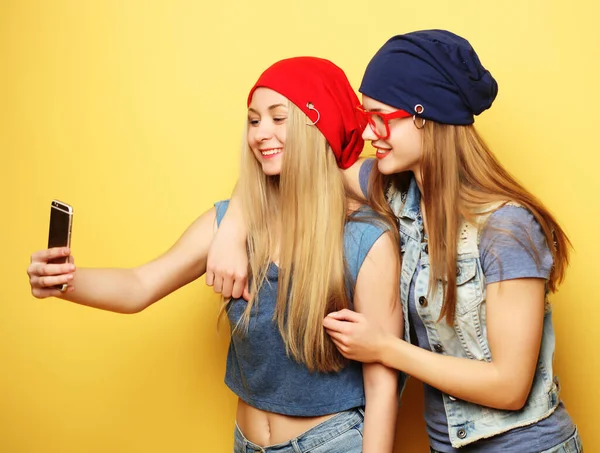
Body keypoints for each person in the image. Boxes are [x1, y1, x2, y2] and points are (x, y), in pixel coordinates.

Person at [208, 31, 583, 452]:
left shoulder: (506, 228)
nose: (369, 132)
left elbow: (509, 387)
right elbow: (291, 168)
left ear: (424, 116)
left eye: (381, 116)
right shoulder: (393, 192)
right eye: (366, 115)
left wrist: (385, 348)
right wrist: (231, 230)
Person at [27, 56, 402, 452]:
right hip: (246, 442)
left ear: (319, 128)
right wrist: (65, 280)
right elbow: (140, 285)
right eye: (254, 120)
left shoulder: (365, 240)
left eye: (279, 118)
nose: (261, 134)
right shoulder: (230, 224)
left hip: (331, 443)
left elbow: (382, 387)